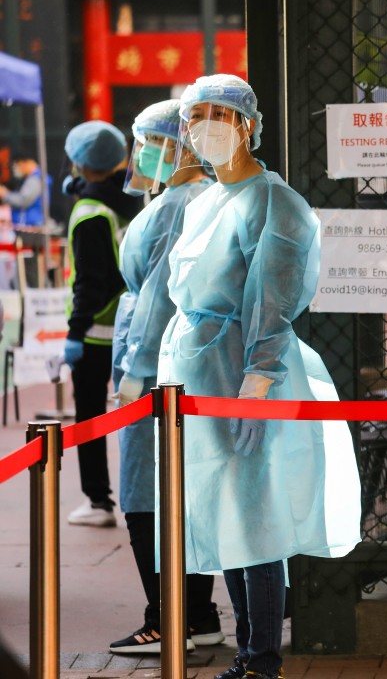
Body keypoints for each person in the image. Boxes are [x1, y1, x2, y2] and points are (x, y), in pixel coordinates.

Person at [160, 74, 362, 679]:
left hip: (245, 375)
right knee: (227, 511)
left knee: (257, 519)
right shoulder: (204, 199)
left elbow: (271, 302)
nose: (205, 127)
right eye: (196, 116)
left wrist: (258, 384)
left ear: (248, 124)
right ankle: (248, 655)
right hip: (199, 375)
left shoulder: (275, 201)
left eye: (219, 114)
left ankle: (261, 661)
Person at [107, 100, 222, 654]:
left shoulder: (178, 205)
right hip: (188, 365)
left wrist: (135, 373)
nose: (142, 153)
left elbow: (156, 298)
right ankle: (197, 613)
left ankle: (166, 616)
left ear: (179, 145)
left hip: (158, 371)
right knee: (187, 492)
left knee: (147, 497)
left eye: (150, 142)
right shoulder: (196, 198)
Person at [62, 120, 141, 527]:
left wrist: (74, 333)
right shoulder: (129, 201)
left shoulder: (88, 212)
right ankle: (147, 498)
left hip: (94, 336)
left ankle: (98, 502)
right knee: (138, 417)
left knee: (89, 417)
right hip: (131, 328)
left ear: (77, 161)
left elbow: (89, 282)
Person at [0, 152, 51, 226]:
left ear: (25, 162)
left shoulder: (35, 180)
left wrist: (5, 194)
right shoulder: (33, 178)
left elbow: (23, 200)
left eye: (17, 165)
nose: (15, 170)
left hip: (32, 227)